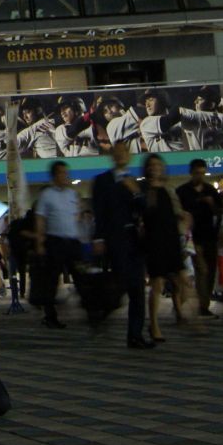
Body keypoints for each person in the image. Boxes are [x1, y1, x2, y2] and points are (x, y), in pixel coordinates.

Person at [91, 142, 150, 349]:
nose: (121, 155)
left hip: (135, 240)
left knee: (137, 289)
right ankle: (101, 310)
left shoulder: (135, 182)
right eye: (117, 152)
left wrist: (136, 192)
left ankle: (135, 335)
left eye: (125, 151)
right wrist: (99, 239)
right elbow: (99, 213)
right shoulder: (102, 181)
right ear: (112, 155)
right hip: (114, 240)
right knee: (121, 284)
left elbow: (145, 209)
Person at [138, 154, 186, 341]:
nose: (155, 168)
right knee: (157, 283)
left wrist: (183, 217)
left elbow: (177, 212)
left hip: (171, 238)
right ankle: (154, 324)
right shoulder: (144, 189)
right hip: (154, 240)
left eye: (158, 165)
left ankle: (181, 312)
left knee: (179, 278)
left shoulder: (169, 189)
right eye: (151, 165)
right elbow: (144, 215)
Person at [28, 161, 81, 330]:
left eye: (66, 172)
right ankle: (50, 316)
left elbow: (76, 216)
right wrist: (40, 243)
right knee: (51, 280)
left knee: (80, 276)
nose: (65, 176)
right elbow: (40, 219)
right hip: (54, 241)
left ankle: (92, 310)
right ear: (54, 175)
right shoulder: (47, 195)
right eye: (61, 173)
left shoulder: (73, 194)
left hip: (72, 241)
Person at [175, 160, 223, 318]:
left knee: (210, 270)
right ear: (191, 172)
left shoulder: (210, 190)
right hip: (192, 237)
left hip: (210, 235)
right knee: (202, 269)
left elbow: (220, 211)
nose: (200, 176)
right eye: (197, 173)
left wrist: (211, 205)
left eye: (202, 173)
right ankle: (202, 305)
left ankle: (203, 301)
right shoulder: (183, 192)